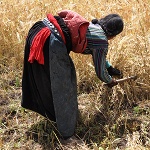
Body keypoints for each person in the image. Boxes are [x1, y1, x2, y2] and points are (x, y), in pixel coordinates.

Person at [22, 10, 124, 141]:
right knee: (65, 87)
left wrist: (109, 67)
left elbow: (100, 57)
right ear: (114, 35)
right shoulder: (102, 41)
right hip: (51, 40)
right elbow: (100, 73)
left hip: (40, 29)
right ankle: (67, 136)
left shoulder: (93, 26)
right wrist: (109, 80)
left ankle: (54, 115)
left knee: (47, 78)